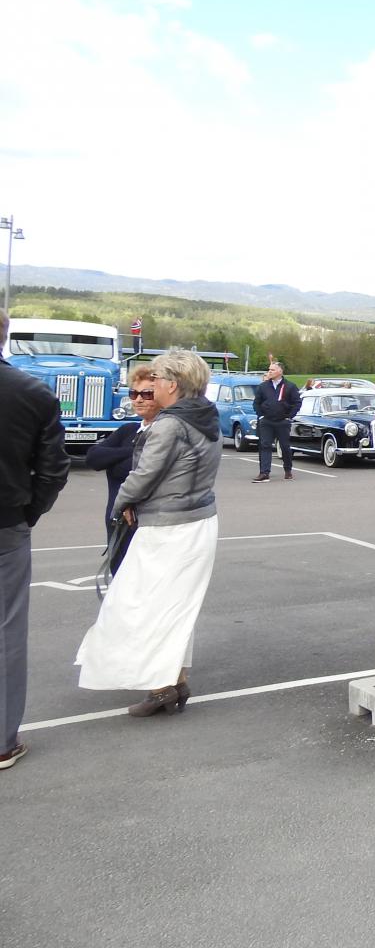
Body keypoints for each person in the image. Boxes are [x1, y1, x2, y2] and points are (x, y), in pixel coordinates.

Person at [76, 350, 223, 718]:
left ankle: (161, 687)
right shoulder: (207, 417)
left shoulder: (169, 425)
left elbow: (143, 474)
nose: (151, 386)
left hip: (167, 528)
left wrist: (120, 505)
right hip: (198, 521)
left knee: (140, 607)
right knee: (174, 607)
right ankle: (175, 681)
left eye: (155, 380)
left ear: (172, 384)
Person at [0, 310, 71, 771]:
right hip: (6, 523)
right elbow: (53, 468)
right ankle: (2, 741)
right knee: (6, 633)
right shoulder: (31, 392)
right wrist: (28, 511)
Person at [86, 363, 159, 533]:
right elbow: (93, 458)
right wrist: (132, 451)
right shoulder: (128, 430)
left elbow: (139, 471)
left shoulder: (164, 434)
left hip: (144, 524)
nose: (138, 399)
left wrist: (114, 458)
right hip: (115, 521)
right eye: (133, 394)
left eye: (147, 394)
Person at [252, 362, 300, 482]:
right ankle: (264, 473)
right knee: (265, 445)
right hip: (266, 421)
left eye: (272, 370)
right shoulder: (263, 386)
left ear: (280, 371)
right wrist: (261, 416)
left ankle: (288, 470)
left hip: (283, 421)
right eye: (269, 370)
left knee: (285, 446)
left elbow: (297, 403)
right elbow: (256, 402)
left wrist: (289, 416)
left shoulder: (290, 386)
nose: (269, 372)